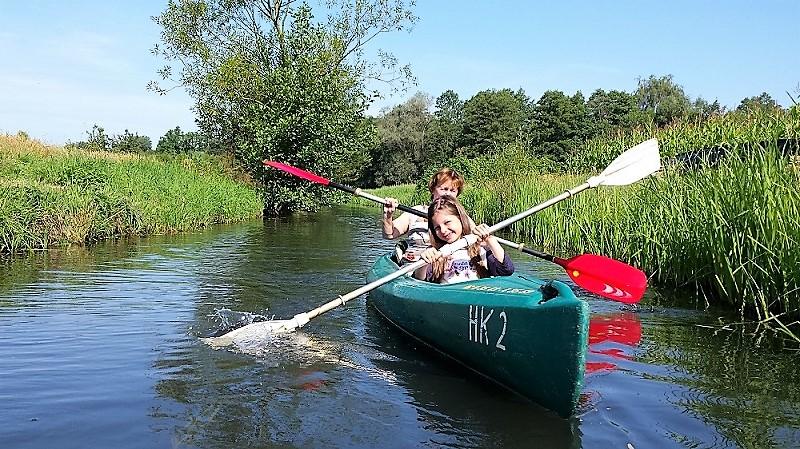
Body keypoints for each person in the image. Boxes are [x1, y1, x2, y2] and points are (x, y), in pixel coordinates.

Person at [413, 196, 514, 284]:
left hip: (477, 298)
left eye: (447, 222)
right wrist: (424, 263)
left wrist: (490, 240)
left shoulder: (480, 249)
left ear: (461, 219)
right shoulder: (435, 253)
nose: (443, 230)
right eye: (437, 228)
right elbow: (420, 280)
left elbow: (506, 270)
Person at [382, 168, 464, 262]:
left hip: (447, 267)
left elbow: (475, 238)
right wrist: (388, 216)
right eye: (444, 189)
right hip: (412, 267)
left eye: (452, 190)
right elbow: (389, 235)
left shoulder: (460, 216)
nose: (448, 194)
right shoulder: (416, 211)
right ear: (433, 189)